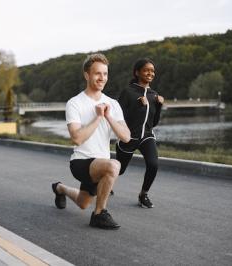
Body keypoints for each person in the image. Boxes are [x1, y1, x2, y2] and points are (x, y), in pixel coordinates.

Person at [52, 53, 131, 230]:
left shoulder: (113, 104)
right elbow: (77, 138)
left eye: (105, 74)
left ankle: (59, 188)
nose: (102, 78)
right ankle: (99, 214)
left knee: (82, 202)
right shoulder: (75, 103)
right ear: (87, 75)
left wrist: (108, 116)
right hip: (81, 162)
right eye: (97, 73)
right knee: (114, 165)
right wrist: (97, 118)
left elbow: (126, 137)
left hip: (99, 163)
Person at [115, 58, 164, 208]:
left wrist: (159, 106)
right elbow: (118, 117)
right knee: (120, 170)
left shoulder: (154, 95)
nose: (150, 73)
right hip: (128, 137)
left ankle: (143, 195)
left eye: (152, 71)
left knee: (153, 164)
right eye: (146, 70)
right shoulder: (128, 92)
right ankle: (104, 183)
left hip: (147, 136)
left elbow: (153, 122)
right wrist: (138, 106)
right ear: (137, 72)